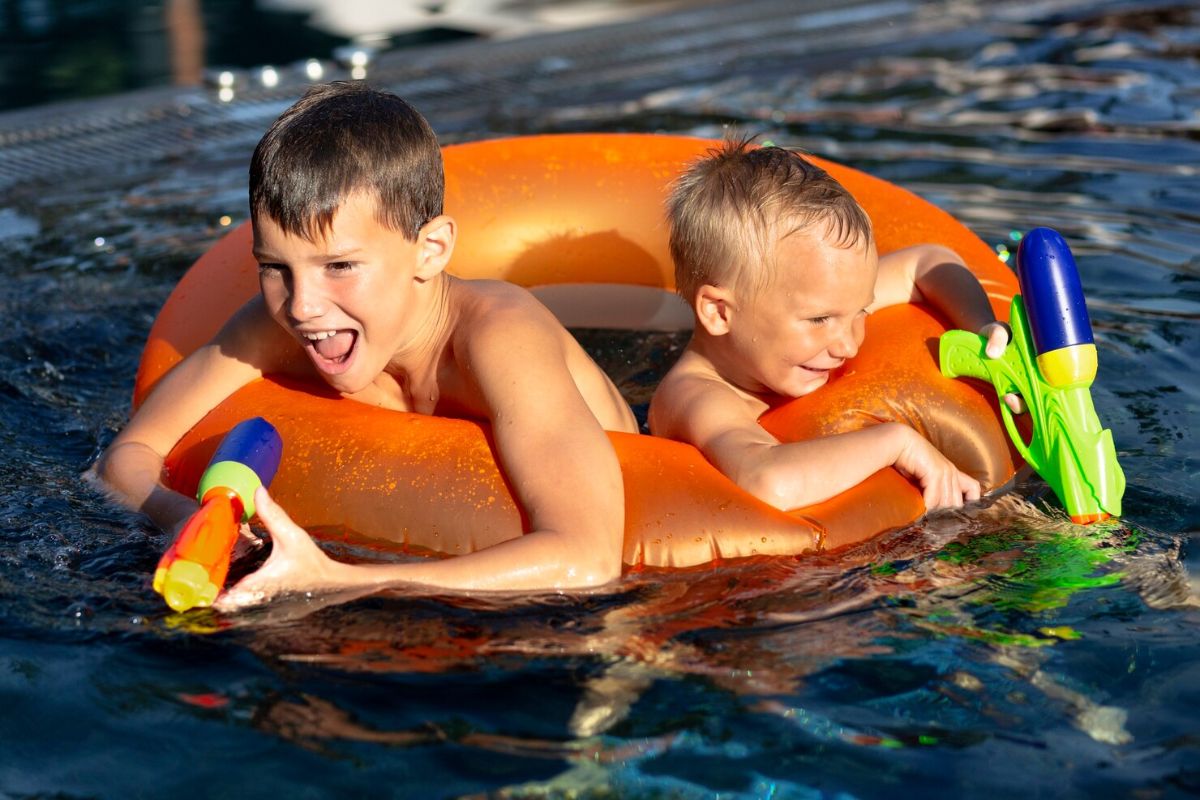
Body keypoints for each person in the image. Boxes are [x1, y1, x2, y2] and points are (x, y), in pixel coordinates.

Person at [89, 82, 637, 608]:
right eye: (275, 267)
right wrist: (183, 517)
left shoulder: (500, 338)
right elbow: (126, 458)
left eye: (340, 266)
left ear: (432, 250)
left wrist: (339, 580)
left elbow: (587, 559)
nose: (301, 307)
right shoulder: (272, 324)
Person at [648, 139, 1013, 514]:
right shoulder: (697, 395)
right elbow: (768, 481)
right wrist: (897, 443)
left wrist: (982, 329)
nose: (848, 345)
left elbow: (929, 263)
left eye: (862, 311)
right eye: (820, 320)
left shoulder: (822, 298)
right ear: (720, 312)